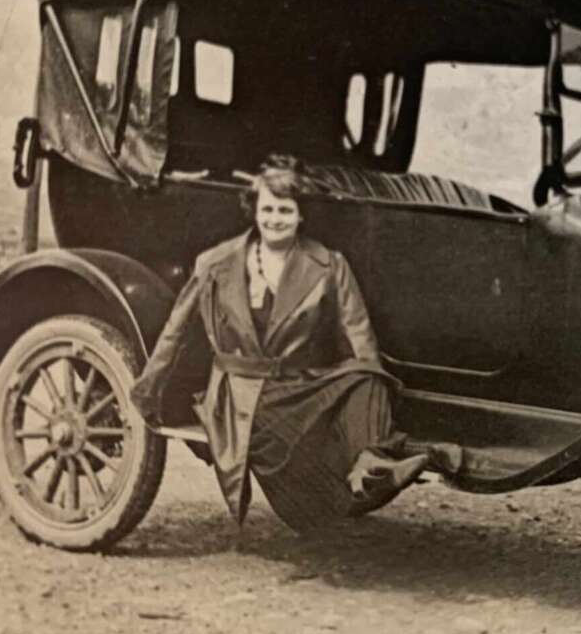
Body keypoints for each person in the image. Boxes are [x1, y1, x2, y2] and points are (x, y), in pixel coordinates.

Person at [131, 153, 454, 526]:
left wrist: (370, 392)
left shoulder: (328, 264)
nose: (274, 220)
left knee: (368, 377)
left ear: (301, 216)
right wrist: (148, 390)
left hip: (299, 383)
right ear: (254, 210)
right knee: (291, 441)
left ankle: (373, 464)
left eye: (285, 211)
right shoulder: (215, 263)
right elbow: (177, 329)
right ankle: (336, 491)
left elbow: (359, 334)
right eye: (268, 210)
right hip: (241, 393)